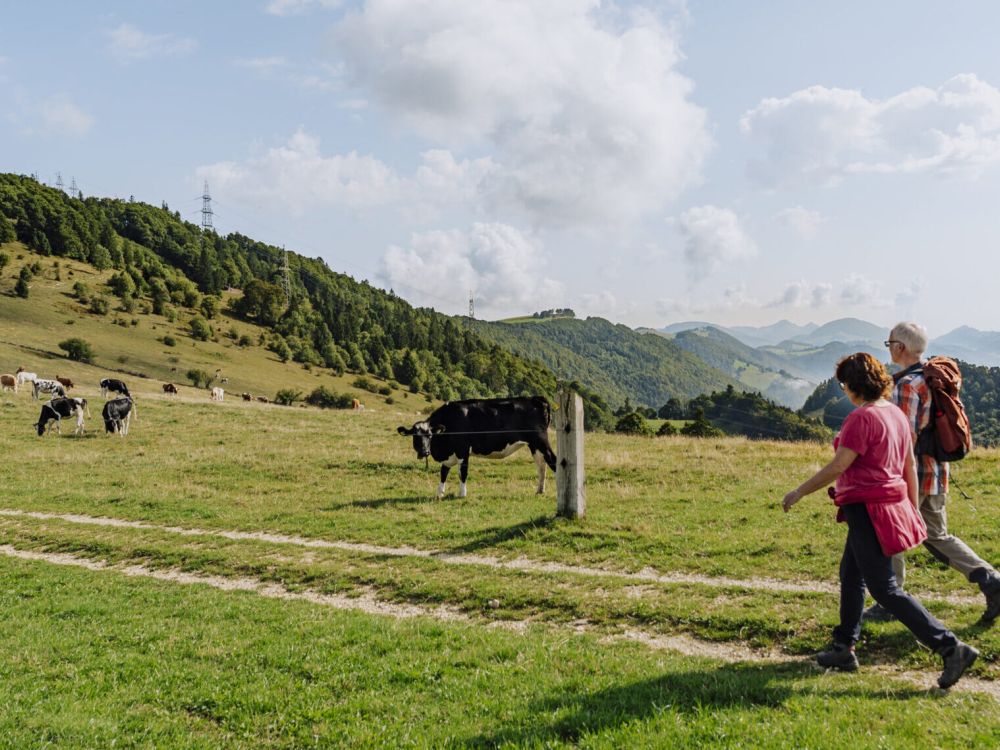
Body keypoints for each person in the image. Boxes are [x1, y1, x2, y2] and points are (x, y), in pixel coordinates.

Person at [782, 352, 977, 688]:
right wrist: (912, 508)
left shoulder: (861, 418)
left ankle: (950, 647)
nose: (844, 390)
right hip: (886, 506)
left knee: (885, 589)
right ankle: (844, 646)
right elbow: (907, 465)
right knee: (851, 574)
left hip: (868, 508)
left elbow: (839, 465)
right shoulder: (895, 414)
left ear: (853, 385)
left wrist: (799, 492)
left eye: (844, 384)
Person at [864, 322, 1000, 624]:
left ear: (899, 348)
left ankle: (890, 598)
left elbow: (905, 437)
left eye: (889, 344)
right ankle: (991, 579)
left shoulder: (907, 387)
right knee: (936, 535)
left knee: (891, 534)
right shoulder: (931, 378)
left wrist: (889, 474)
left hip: (913, 473)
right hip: (938, 471)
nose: (888, 349)